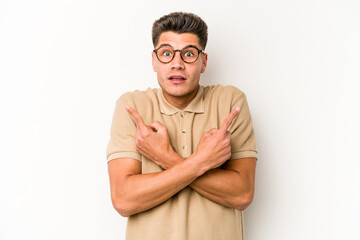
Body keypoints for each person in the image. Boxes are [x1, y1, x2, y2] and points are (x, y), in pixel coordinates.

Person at [106, 12, 258, 240]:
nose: (177, 64)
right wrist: (202, 162)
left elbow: (242, 194)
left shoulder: (229, 102)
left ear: (203, 62)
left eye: (189, 54)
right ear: (154, 61)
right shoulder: (132, 106)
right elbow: (124, 201)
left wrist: (165, 157)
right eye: (166, 53)